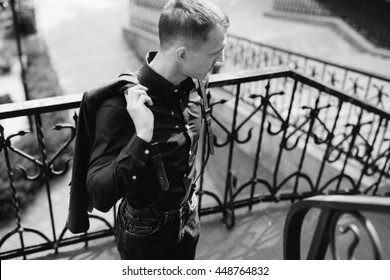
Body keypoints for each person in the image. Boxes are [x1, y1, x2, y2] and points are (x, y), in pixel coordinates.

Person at [86, 0, 229, 259]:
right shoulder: (122, 106)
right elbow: (99, 194)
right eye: (215, 53)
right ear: (183, 54)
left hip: (190, 216)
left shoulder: (197, 84)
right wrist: (141, 137)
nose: (222, 60)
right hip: (145, 233)